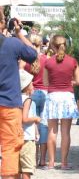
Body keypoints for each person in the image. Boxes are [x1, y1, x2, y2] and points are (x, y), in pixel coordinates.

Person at [0, 16, 37, 179]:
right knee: (10, 149)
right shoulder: (12, 44)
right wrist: (18, 32)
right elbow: (32, 55)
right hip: (8, 104)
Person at [41, 34, 79, 170]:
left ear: (52, 46)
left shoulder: (48, 62)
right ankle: (64, 163)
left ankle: (51, 162)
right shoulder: (72, 61)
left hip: (53, 96)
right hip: (67, 97)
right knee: (66, 132)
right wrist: (70, 82)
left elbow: (46, 82)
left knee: (52, 131)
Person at [20, 34, 49, 168]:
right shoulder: (46, 59)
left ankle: (33, 157)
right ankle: (43, 159)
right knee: (43, 126)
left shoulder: (24, 61)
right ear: (41, 44)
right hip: (44, 92)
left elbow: (20, 76)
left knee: (32, 125)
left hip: (29, 93)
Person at [18, 70, 40, 179]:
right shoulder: (27, 99)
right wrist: (36, 119)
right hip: (27, 138)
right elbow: (25, 118)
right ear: (26, 86)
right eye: (31, 84)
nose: (33, 86)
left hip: (18, 136)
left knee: (16, 168)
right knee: (27, 168)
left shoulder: (15, 98)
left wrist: (36, 130)